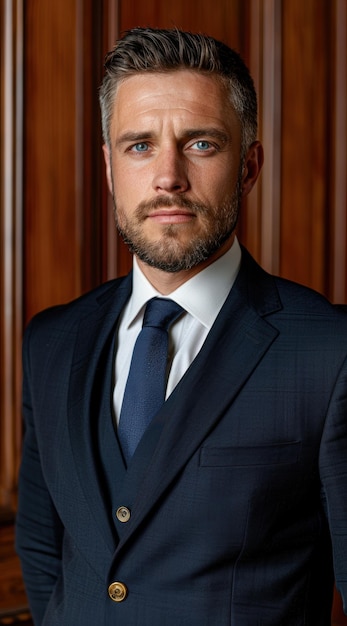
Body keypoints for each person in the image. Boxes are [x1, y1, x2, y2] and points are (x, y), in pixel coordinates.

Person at [15, 27, 347, 626]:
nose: (168, 176)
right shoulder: (51, 342)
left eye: (199, 144)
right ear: (111, 169)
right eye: (139, 146)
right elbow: (44, 550)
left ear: (248, 166)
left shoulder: (330, 351)